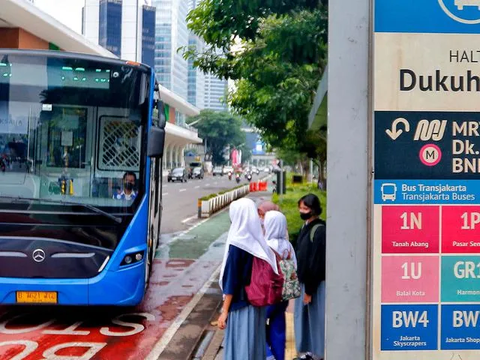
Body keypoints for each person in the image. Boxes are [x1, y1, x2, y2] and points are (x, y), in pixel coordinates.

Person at [218, 198, 278, 360]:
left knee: (241, 347)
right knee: (254, 347)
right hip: (257, 304)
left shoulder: (237, 244)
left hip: (240, 305)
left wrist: (224, 311)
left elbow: (231, 282)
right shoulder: (258, 243)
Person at [294, 194, 326, 360]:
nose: (302, 211)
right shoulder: (305, 227)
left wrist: (310, 290)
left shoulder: (319, 230)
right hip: (305, 283)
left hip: (314, 285)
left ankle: (317, 353)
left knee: (315, 319)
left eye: (305, 208)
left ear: (314, 209)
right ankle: (307, 352)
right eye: (300, 208)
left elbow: (316, 263)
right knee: (305, 319)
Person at [264, 211, 297, 360]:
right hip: (284, 294)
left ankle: (267, 354)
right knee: (278, 328)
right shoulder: (288, 246)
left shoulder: (265, 245)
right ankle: (278, 356)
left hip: (268, 295)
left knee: (257, 325)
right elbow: (295, 268)